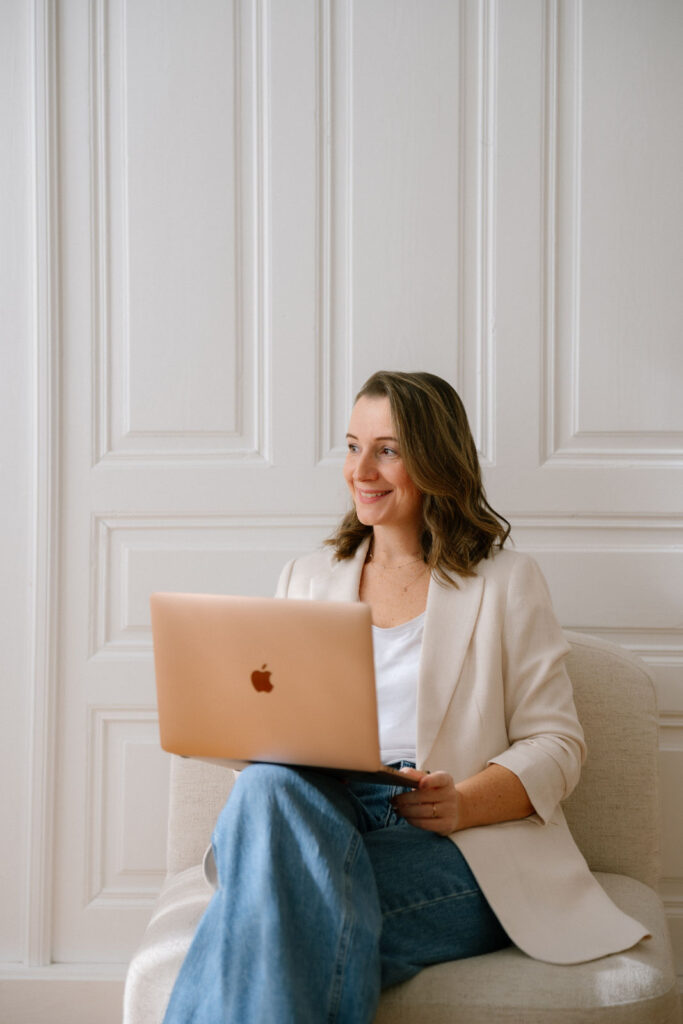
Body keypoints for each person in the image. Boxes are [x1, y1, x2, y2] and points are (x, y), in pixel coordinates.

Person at [162, 370, 648, 1024]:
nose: (361, 469)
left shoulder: (506, 582)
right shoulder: (304, 578)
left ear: (435, 461)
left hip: (448, 841)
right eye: (351, 445)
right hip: (319, 813)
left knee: (271, 921)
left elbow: (557, 744)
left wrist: (465, 802)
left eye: (387, 449)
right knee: (266, 788)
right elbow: (272, 730)